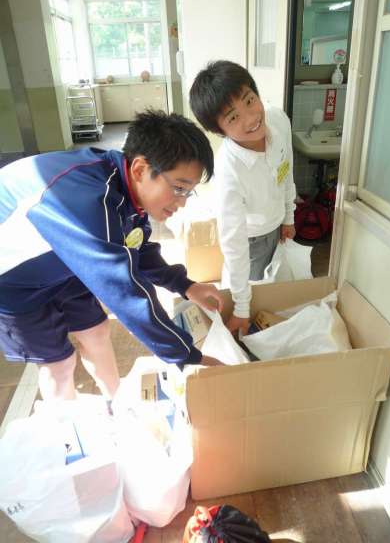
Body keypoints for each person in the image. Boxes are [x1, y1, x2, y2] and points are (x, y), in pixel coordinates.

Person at [0, 110, 224, 403]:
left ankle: (117, 405)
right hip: (13, 281)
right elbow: (124, 293)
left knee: (97, 332)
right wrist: (187, 356)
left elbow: (135, 244)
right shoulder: (88, 202)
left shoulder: (123, 182)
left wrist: (186, 285)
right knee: (60, 364)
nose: (181, 202)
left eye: (188, 192)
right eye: (179, 188)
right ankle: (66, 426)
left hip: (64, 261)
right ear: (141, 169)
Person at [190, 60, 296, 336]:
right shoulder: (228, 172)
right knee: (254, 304)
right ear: (220, 130)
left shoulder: (278, 120)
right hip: (251, 241)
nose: (250, 118)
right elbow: (233, 241)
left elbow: (287, 170)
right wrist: (240, 307)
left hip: (278, 227)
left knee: (280, 293)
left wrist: (289, 215)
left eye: (250, 101)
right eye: (233, 118)